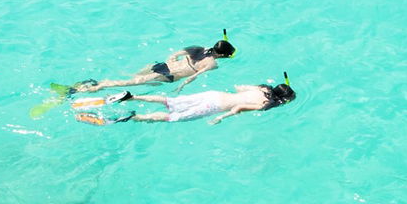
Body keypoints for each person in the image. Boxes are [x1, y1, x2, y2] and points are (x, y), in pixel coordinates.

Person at [74, 75, 294, 125]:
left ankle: (133, 96)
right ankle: (133, 117)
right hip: (216, 106)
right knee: (173, 117)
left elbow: (238, 90)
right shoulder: (266, 104)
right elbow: (238, 108)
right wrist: (222, 118)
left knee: (170, 101)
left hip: (215, 94)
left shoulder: (261, 89)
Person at [65, 31, 236, 94]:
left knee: (131, 78)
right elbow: (194, 77)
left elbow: (175, 54)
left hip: (161, 65)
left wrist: (172, 61)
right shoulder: (212, 64)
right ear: (222, 55)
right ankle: (90, 88)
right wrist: (181, 87)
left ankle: (96, 83)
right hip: (168, 75)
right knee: (130, 83)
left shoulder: (198, 47)